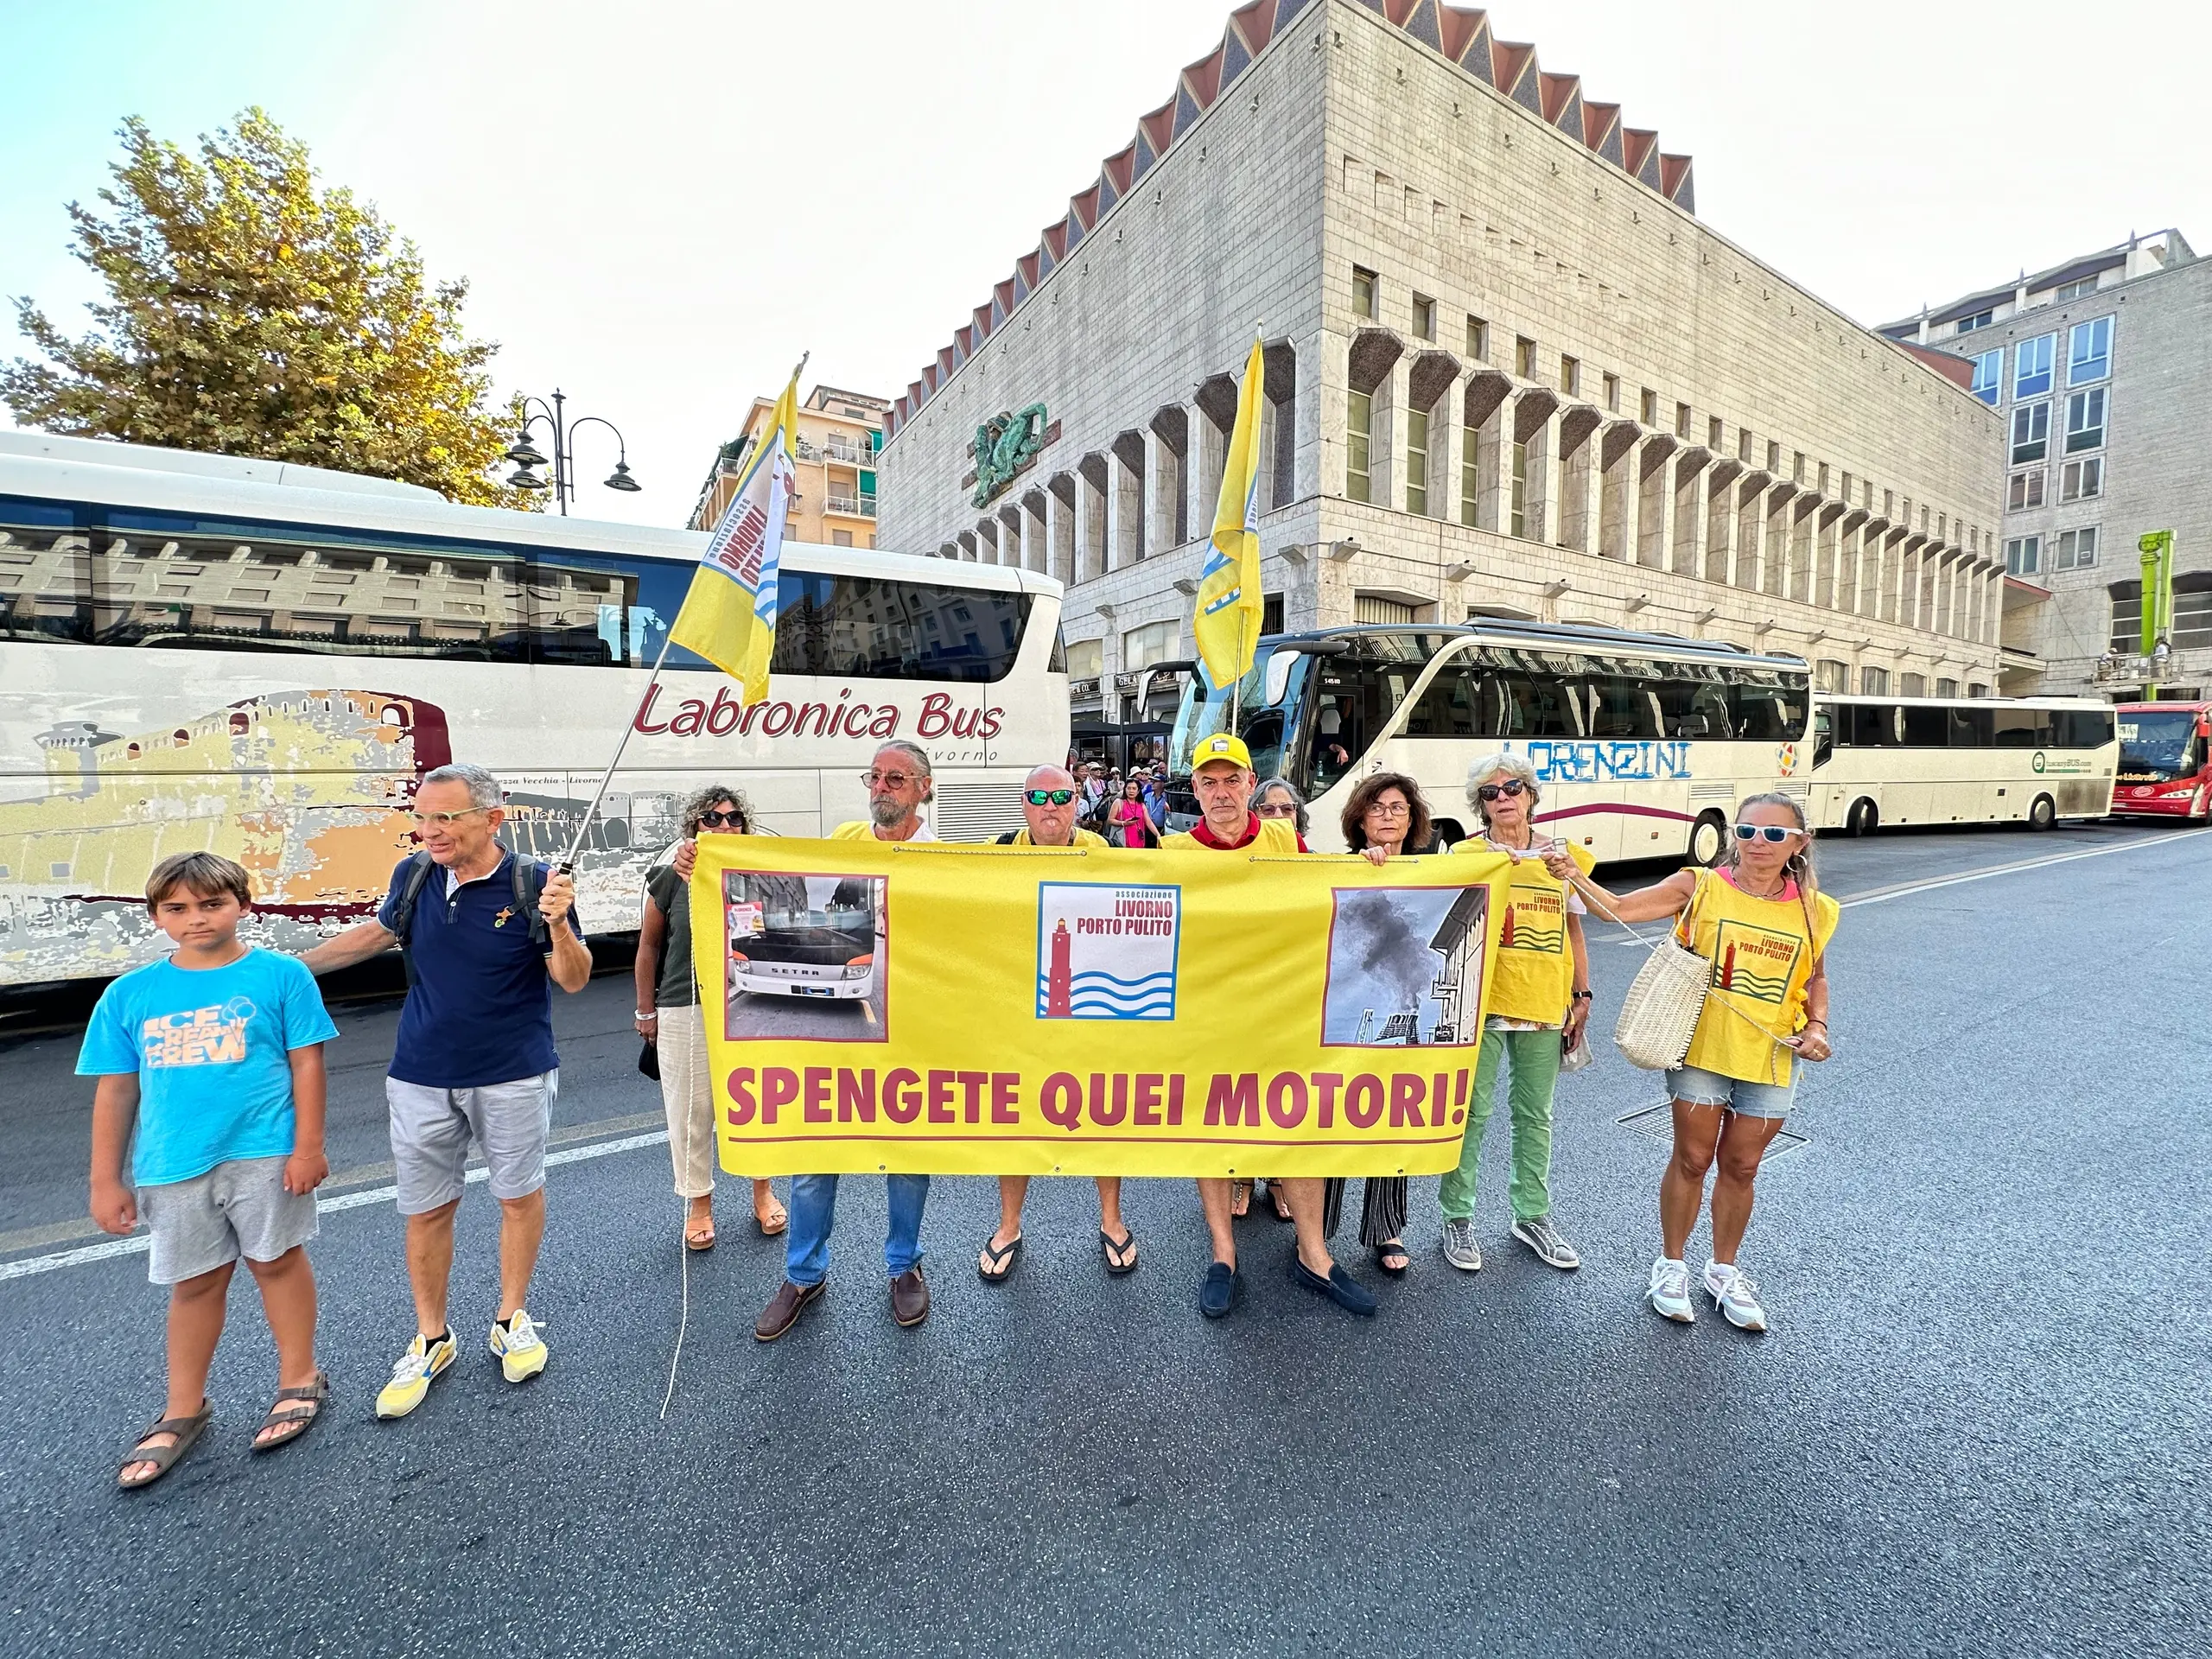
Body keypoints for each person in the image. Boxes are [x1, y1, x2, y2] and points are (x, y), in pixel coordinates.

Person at [302, 762, 590, 1418]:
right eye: (422, 818)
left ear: (493, 817)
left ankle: (510, 1318)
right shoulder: (415, 876)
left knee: (517, 1197)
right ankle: (432, 1338)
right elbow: (381, 932)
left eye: (445, 819)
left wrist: (560, 926)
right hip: (421, 1074)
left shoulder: (536, 882)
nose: (429, 832)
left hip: (513, 1071)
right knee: (426, 1209)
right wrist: (287, 968)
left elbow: (573, 980)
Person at [81, 853, 339, 1488]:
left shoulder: (281, 977)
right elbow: (116, 1091)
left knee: (276, 1261)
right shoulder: (129, 994)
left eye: (212, 904)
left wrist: (308, 1147)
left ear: (243, 906)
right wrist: (104, 1178)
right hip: (172, 1163)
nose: (197, 918)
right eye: (178, 908)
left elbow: (307, 1064)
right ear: (157, 917)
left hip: (264, 1150)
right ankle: (183, 1408)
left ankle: (300, 1376)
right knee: (193, 1284)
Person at [1556, 792, 1836, 1332]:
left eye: (1775, 834)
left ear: (1799, 844)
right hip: (1700, 1047)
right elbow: (1621, 909)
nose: (1759, 842)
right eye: (1748, 830)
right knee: (1692, 1158)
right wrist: (1574, 875)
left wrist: (1818, 1025)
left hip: (1773, 1054)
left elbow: (1816, 977)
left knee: (1743, 1166)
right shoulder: (1699, 885)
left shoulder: (1813, 908)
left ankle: (1724, 1271)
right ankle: (1672, 1265)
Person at [1162, 733, 1376, 1319]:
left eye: (1232, 780)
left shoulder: (1284, 837)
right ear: (1196, 790)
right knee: (1208, 1130)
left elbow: (1333, 894)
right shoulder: (1173, 849)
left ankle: (1315, 1255)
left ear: (1251, 788)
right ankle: (1224, 1256)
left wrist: (1372, 864)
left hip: (1284, 1011)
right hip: (1209, 1016)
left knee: (1297, 1124)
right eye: (1209, 781)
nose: (1221, 791)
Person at [755, 739, 937, 1341]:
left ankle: (904, 1267)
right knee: (816, 1155)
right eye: (876, 778)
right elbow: (777, 889)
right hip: (838, 1028)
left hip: (912, 1033)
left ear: (923, 790)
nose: (881, 789)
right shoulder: (841, 846)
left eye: (896, 779)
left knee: (907, 1158)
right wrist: (703, 865)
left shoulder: (950, 863)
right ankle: (803, 1273)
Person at [979, 765, 1138, 1279]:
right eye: (1039, 796)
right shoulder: (997, 852)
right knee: (1015, 1118)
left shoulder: (1102, 851)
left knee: (1104, 1111)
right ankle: (1008, 1225)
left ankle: (1112, 1220)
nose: (1050, 805)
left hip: (1090, 1008)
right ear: (1023, 803)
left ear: (1077, 802)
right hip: (1019, 1007)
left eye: (1062, 796)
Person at [1438, 753, 1594, 1275]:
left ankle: (1532, 1216)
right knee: (1470, 1116)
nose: (1502, 798)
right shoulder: (1464, 854)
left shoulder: (1563, 857)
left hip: (1545, 1002)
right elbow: (1442, 925)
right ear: (1480, 806)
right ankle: (1457, 1216)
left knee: (1535, 1117)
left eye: (1512, 788)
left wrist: (1583, 996)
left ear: (1530, 794)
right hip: (1478, 1006)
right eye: (1490, 792)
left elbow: (1575, 931)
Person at [635, 785, 785, 1252]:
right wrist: (646, 1009)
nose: (724, 827)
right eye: (712, 820)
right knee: (690, 1111)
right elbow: (649, 947)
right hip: (686, 1003)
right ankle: (699, 1205)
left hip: (752, 1001)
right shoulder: (670, 877)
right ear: (693, 829)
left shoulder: (760, 875)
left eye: (734, 819)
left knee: (759, 1107)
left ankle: (764, 1193)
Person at [1328, 772, 1440, 1277]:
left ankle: (1386, 1226)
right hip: (1346, 1014)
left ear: (1414, 818)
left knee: (1392, 1117)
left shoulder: (1433, 872)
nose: (1389, 816)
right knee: (1331, 1117)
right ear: (1360, 819)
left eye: (1398, 807)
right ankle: (1319, 1227)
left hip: (1405, 1015)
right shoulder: (1341, 868)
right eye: (1377, 808)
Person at [1108, 777, 1162, 849]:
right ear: (1125, 790)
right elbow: (1110, 820)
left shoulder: (1142, 805)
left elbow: (1148, 822)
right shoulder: (1118, 802)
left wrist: (1158, 835)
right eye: (1129, 788)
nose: (1131, 791)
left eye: (1134, 788)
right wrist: (1124, 823)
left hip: (1138, 840)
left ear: (1138, 791)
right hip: (1122, 841)